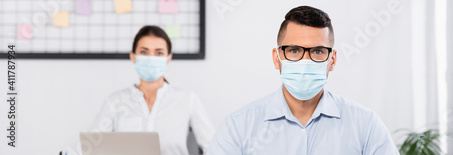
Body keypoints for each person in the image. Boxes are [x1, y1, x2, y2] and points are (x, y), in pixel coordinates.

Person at [206, 6, 399, 155]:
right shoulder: (238, 127)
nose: (305, 61)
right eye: (294, 50)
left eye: (317, 51)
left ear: (332, 60)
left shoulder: (366, 125)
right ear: (277, 58)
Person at [88, 25, 214, 155]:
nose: (151, 58)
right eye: (144, 52)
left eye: (159, 53)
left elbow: (213, 146)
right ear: (133, 57)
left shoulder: (187, 99)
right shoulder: (115, 102)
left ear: (168, 58)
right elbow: (92, 149)